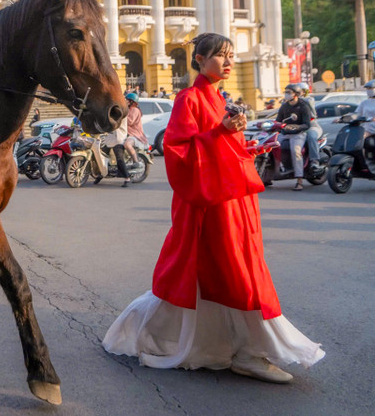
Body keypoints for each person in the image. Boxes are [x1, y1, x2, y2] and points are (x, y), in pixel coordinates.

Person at [103, 32, 324, 383]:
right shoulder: (188, 99)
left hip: (233, 199)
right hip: (209, 203)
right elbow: (178, 151)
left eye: (231, 55)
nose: (229, 61)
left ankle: (238, 347)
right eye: (221, 55)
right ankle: (247, 351)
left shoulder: (221, 100)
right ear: (200, 60)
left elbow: (222, 148)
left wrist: (247, 146)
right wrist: (220, 133)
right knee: (230, 272)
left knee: (234, 270)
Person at [276, 83, 313, 190]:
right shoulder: (284, 106)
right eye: (285, 92)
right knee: (270, 146)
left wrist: (296, 127)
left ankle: (299, 180)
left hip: (298, 134)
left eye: (289, 92)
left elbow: (307, 124)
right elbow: (278, 121)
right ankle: (269, 175)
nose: (286, 94)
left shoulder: (303, 106)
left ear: (296, 94)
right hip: (285, 134)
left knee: (295, 151)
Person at [123, 92, 148, 161]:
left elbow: (130, 121)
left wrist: (122, 115)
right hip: (127, 134)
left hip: (135, 135)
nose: (125, 101)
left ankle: (136, 161)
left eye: (127, 100)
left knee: (127, 144)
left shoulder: (135, 110)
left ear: (131, 102)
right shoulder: (128, 110)